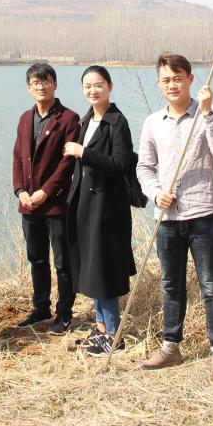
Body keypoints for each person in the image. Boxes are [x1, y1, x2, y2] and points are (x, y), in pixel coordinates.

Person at [136, 53, 213, 382]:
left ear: (190, 79)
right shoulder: (153, 122)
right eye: (166, 79)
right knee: (171, 285)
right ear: (159, 83)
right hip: (167, 218)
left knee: (211, 286)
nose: (172, 85)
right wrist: (155, 193)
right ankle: (171, 347)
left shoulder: (210, 113)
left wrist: (207, 113)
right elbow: (144, 167)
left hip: (202, 216)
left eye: (178, 78)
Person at [63, 65, 137, 356]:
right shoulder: (86, 120)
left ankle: (114, 335)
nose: (93, 90)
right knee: (92, 266)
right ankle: (101, 327)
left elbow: (121, 165)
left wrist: (84, 153)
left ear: (110, 87)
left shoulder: (117, 122)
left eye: (98, 85)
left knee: (104, 269)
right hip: (86, 203)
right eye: (88, 86)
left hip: (107, 207)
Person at [12, 62, 81, 334]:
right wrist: (21, 191)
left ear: (55, 84)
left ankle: (64, 313)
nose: (41, 86)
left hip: (56, 203)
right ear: (28, 88)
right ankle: (41, 308)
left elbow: (67, 163)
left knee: (63, 261)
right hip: (29, 203)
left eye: (46, 81)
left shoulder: (69, 118)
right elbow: (18, 158)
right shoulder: (25, 119)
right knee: (37, 259)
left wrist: (46, 191)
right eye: (35, 83)